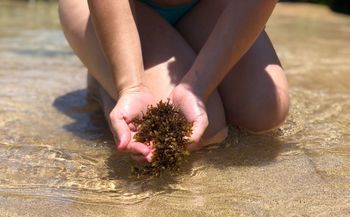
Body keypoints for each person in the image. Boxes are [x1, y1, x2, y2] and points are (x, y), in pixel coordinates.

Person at [58, 0, 289, 162]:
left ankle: (179, 47)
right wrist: (131, 86)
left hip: (204, 6)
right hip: (114, 9)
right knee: (199, 134)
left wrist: (197, 86)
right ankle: (106, 77)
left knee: (265, 110)